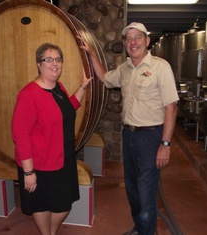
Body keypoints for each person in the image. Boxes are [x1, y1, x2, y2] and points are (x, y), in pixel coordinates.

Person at [78, 22, 179, 235]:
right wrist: (92, 53)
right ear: (125, 44)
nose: (133, 42)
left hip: (151, 137)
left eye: (137, 38)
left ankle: (147, 232)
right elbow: (105, 78)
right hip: (129, 135)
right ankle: (139, 227)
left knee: (145, 191)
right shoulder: (124, 69)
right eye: (129, 39)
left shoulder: (161, 67)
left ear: (147, 41)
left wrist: (165, 144)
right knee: (132, 188)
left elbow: (171, 107)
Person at [11, 43, 92, 235]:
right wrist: (29, 172)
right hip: (40, 163)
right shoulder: (29, 94)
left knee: (63, 205)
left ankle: (50, 233)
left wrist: (83, 86)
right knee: (42, 204)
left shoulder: (58, 88)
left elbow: (68, 109)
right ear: (39, 64)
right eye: (48, 59)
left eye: (58, 59)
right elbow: (20, 135)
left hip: (62, 159)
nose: (54, 64)